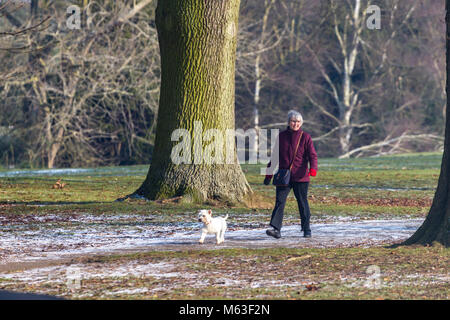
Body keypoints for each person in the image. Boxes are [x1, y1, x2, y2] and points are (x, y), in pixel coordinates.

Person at [263, 110, 318, 238]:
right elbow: (275, 157)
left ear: (301, 123)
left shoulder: (306, 137)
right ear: (288, 122)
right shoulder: (281, 136)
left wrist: (313, 169)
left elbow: (312, 155)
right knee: (280, 202)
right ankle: (276, 229)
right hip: (284, 176)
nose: (296, 124)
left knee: (302, 203)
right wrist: (268, 174)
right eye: (293, 121)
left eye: (298, 122)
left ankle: (306, 229)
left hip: (301, 176)